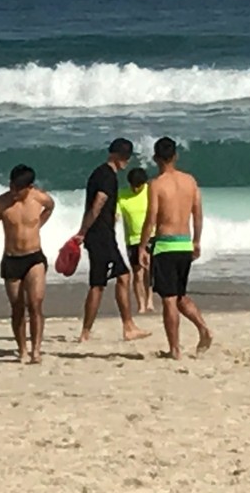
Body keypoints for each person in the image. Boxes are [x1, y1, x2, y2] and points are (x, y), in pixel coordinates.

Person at [140, 138, 212, 360]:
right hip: (184, 243)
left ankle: (175, 349)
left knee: (169, 299)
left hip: (165, 245)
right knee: (180, 296)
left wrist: (143, 247)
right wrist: (197, 241)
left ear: (155, 158)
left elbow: (151, 217)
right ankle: (202, 328)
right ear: (176, 156)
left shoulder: (156, 184)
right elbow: (197, 214)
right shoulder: (190, 181)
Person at [74, 139, 148, 342]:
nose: (126, 160)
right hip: (101, 236)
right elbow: (98, 203)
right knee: (120, 277)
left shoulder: (99, 172)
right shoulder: (108, 176)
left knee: (100, 282)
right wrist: (83, 231)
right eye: (123, 156)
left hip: (100, 236)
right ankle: (127, 327)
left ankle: (86, 333)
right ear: (114, 155)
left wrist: (85, 232)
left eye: (127, 156)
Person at [0, 164, 55, 363]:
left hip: (34, 258)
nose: (13, 191)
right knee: (17, 307)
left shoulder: (39, 198)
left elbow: (51, 206)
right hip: (12, 259)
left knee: (35, 304)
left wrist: (39, 224)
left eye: (18, 188)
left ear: (29, 187)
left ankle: (36, 350)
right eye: (11, 186)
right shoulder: (1, 203)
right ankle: (22, 349)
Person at [117, 167, 154, 313]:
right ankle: (141, 305)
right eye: (133, 185)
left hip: (151, 236)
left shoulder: (150, 192)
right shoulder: (122, 195)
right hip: (132, 239)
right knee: (137, 273)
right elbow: (116, 214)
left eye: (138, 185)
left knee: (149, 270)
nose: (135, 188)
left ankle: (150, 300)